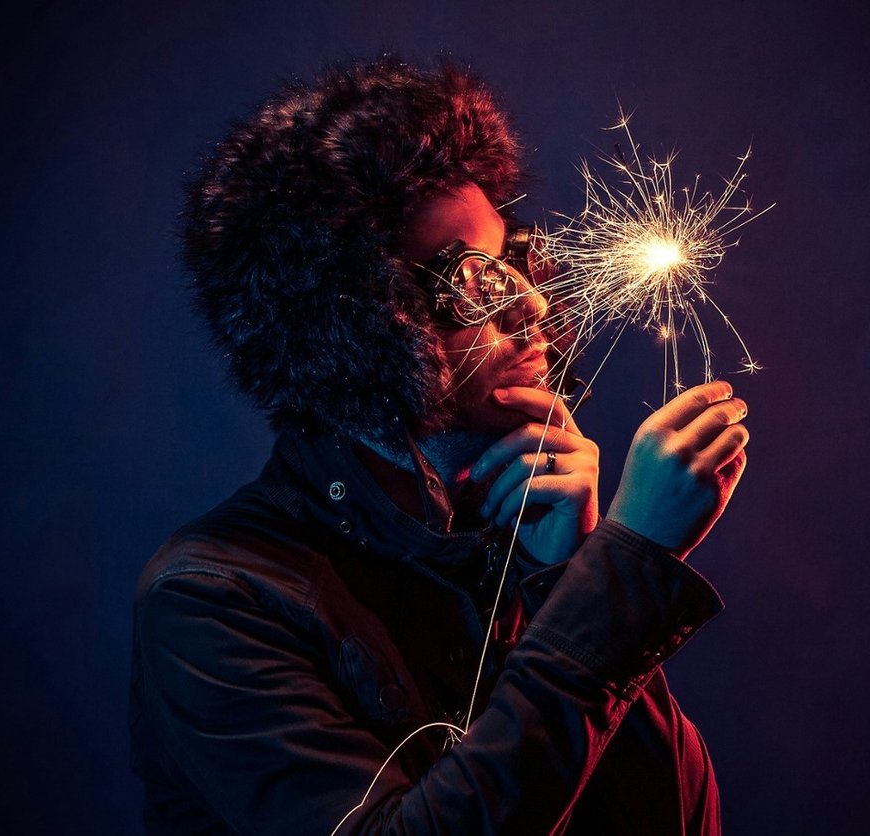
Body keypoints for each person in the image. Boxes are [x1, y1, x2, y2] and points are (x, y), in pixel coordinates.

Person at [129, 56, 751, 834]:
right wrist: (622, 574)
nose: (527, 300)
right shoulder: (217, 601)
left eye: (512, 257)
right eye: (467, 280)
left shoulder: (516, 534)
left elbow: (679, 821)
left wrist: (569, 576)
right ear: (361, 332)